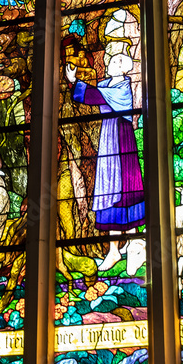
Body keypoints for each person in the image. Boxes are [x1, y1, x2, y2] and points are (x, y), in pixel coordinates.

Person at [65, 47, 145, 270]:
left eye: (115, 61)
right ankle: (115, 250)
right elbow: (95, 95)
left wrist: (74, 82)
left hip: (120, 141)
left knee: (122, 191)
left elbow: (94, 96)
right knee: (111, 191)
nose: (110, 63)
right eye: (111, 60)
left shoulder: (121, 88)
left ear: (122, 68)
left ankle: (129, 246)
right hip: (110, 137)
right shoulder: (108, 85)